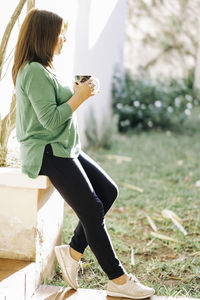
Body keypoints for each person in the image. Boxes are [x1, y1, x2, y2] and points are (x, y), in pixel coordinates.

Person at [12, 8, 155, 299]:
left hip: (64, 148)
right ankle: (118, 279)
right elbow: (50, 120)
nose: (63, 39)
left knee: (108, 191)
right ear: (44, 36)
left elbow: (54, 108)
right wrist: (79, 97)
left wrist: (80, 91)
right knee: (91, 208)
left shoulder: (44, 68)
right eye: (60, 34)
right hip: (47, 152)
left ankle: (73, 251)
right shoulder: (33, 71)